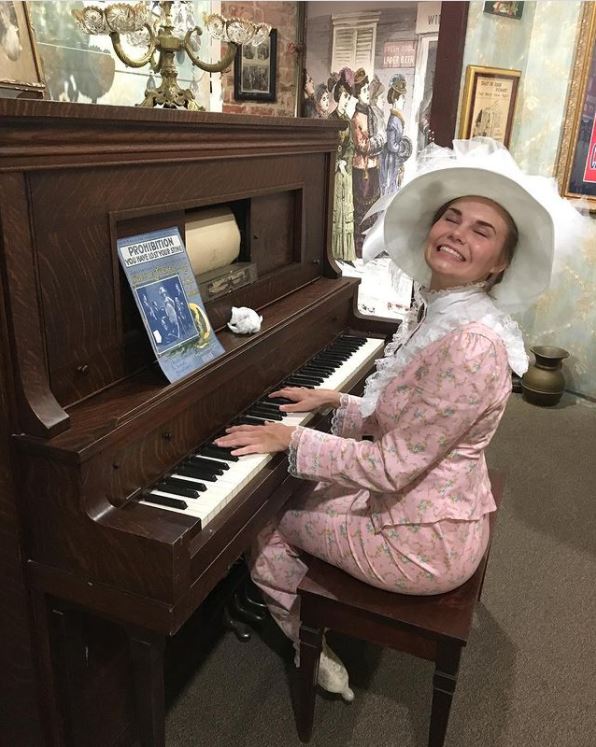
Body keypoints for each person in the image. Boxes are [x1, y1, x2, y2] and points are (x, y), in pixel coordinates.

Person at [215, 138, 574, 701]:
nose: (457, 232)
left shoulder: (470, 346)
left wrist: (291, 439)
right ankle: (309, 608)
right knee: (300, 486)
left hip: (422, 542)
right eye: (451, 218)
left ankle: (311, 647)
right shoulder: (449, 312)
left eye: (482, 230)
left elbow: (390, 466)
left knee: (260, 521)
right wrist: (334, 403)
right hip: (430, 502)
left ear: (501, 261)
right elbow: (412, 424)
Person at [328, 68, 357, 264]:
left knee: (345, 206)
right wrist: (337, 160)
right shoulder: (331, 120)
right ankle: (333, 251)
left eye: (349, 97)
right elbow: (328, 143)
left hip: (345, 171)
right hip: (334, 171)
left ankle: (345, 252)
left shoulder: (348, 120)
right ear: (338, 96)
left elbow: (352, 145)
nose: (346, 100)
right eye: (344, 96)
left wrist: (345, 160)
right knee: (334, 206)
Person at [382, 74, 413, 196]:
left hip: (395, 160)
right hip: (391, 161)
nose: (404, 100)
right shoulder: (393, 120)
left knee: (395, 188)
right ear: (395, 100)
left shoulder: (398, 118)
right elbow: (391, 146)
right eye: (402, 98)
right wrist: (404, 148)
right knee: (390, 189)